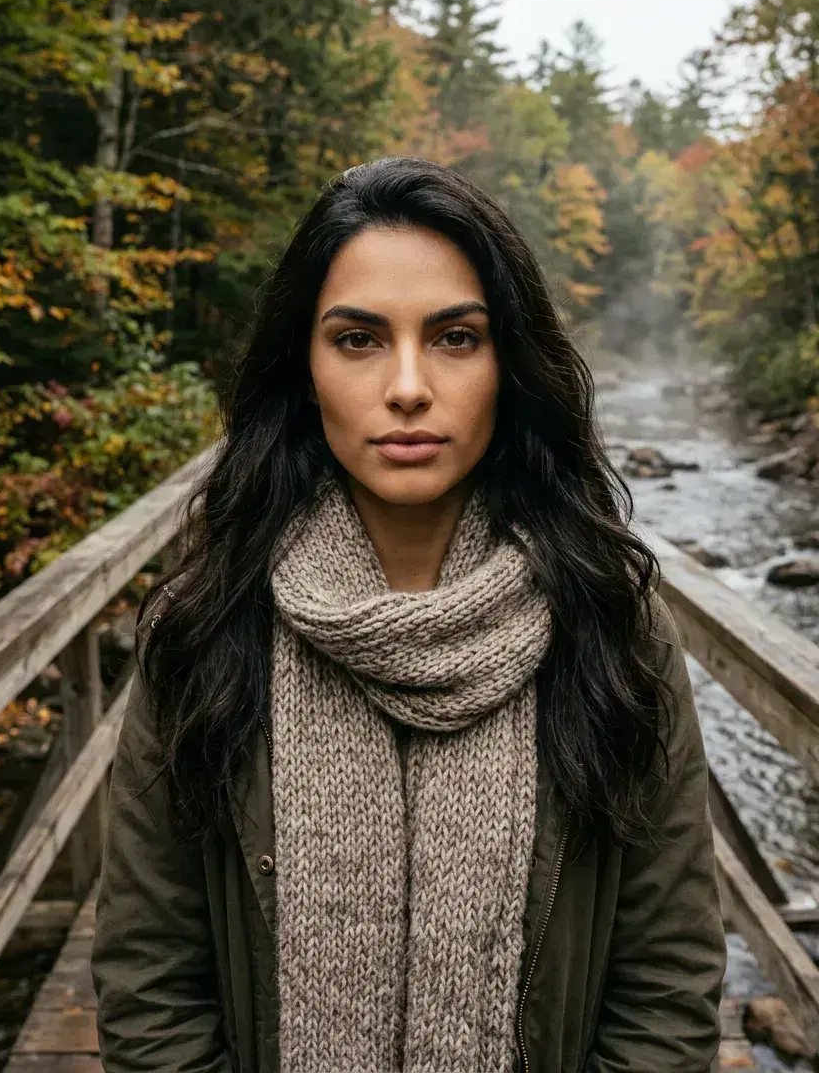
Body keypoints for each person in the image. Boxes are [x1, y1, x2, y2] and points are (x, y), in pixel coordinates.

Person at [91, 156, 726, 1073]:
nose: (407, 387)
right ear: (304, 369)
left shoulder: (610, 628)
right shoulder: (208, 628)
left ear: (509, 362)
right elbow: (149, 978)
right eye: (357, 339)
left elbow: (667, 978)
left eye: (456, 338)